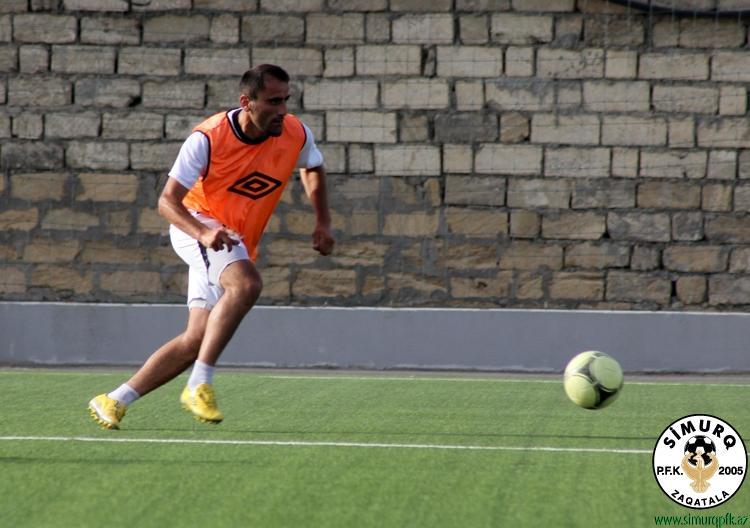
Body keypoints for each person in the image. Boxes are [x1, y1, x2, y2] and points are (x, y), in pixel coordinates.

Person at [88, 64, 334, 429]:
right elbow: (167, 202)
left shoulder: (295, 132)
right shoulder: (208, 138)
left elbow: (312, 165)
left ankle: (114, 399)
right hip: (196, 225)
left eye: (286, 100)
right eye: (273, 101)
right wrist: (203, 234)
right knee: (247, 285)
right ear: (246, 102)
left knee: (197, 338)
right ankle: (199, 384)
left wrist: (322, 221)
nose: (282, 110)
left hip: (230, 238)